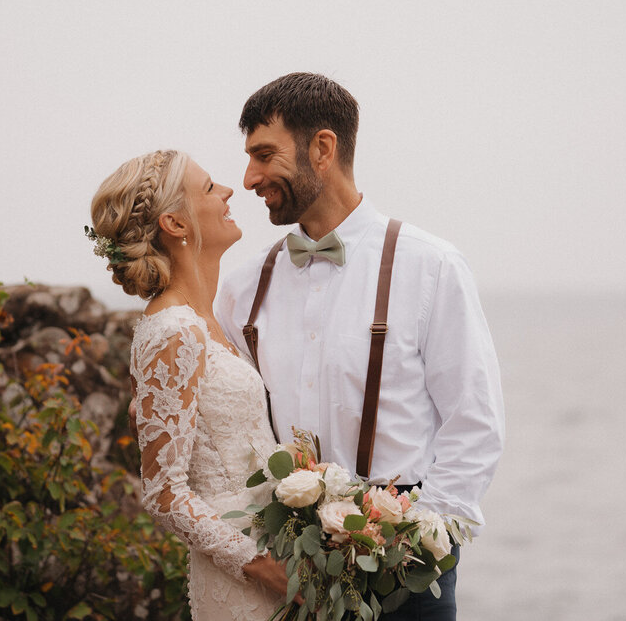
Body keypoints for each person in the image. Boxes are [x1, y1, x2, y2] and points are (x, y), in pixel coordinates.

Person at [216, 73, 506, 620]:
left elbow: (474, 419)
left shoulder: (430, 266)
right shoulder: (242, 287)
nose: (250, 178)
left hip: (406, 571)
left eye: (264, 154)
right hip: (287, 574)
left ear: (322, 148)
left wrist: (423, 536)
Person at [88, 149, 286, 620]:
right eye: (209, 187)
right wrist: (259, 566)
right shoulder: (172, 330)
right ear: (175, 224)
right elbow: (163, 493)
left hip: (276, 550)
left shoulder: (210, 321)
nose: (228, 191)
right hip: (244, 574)